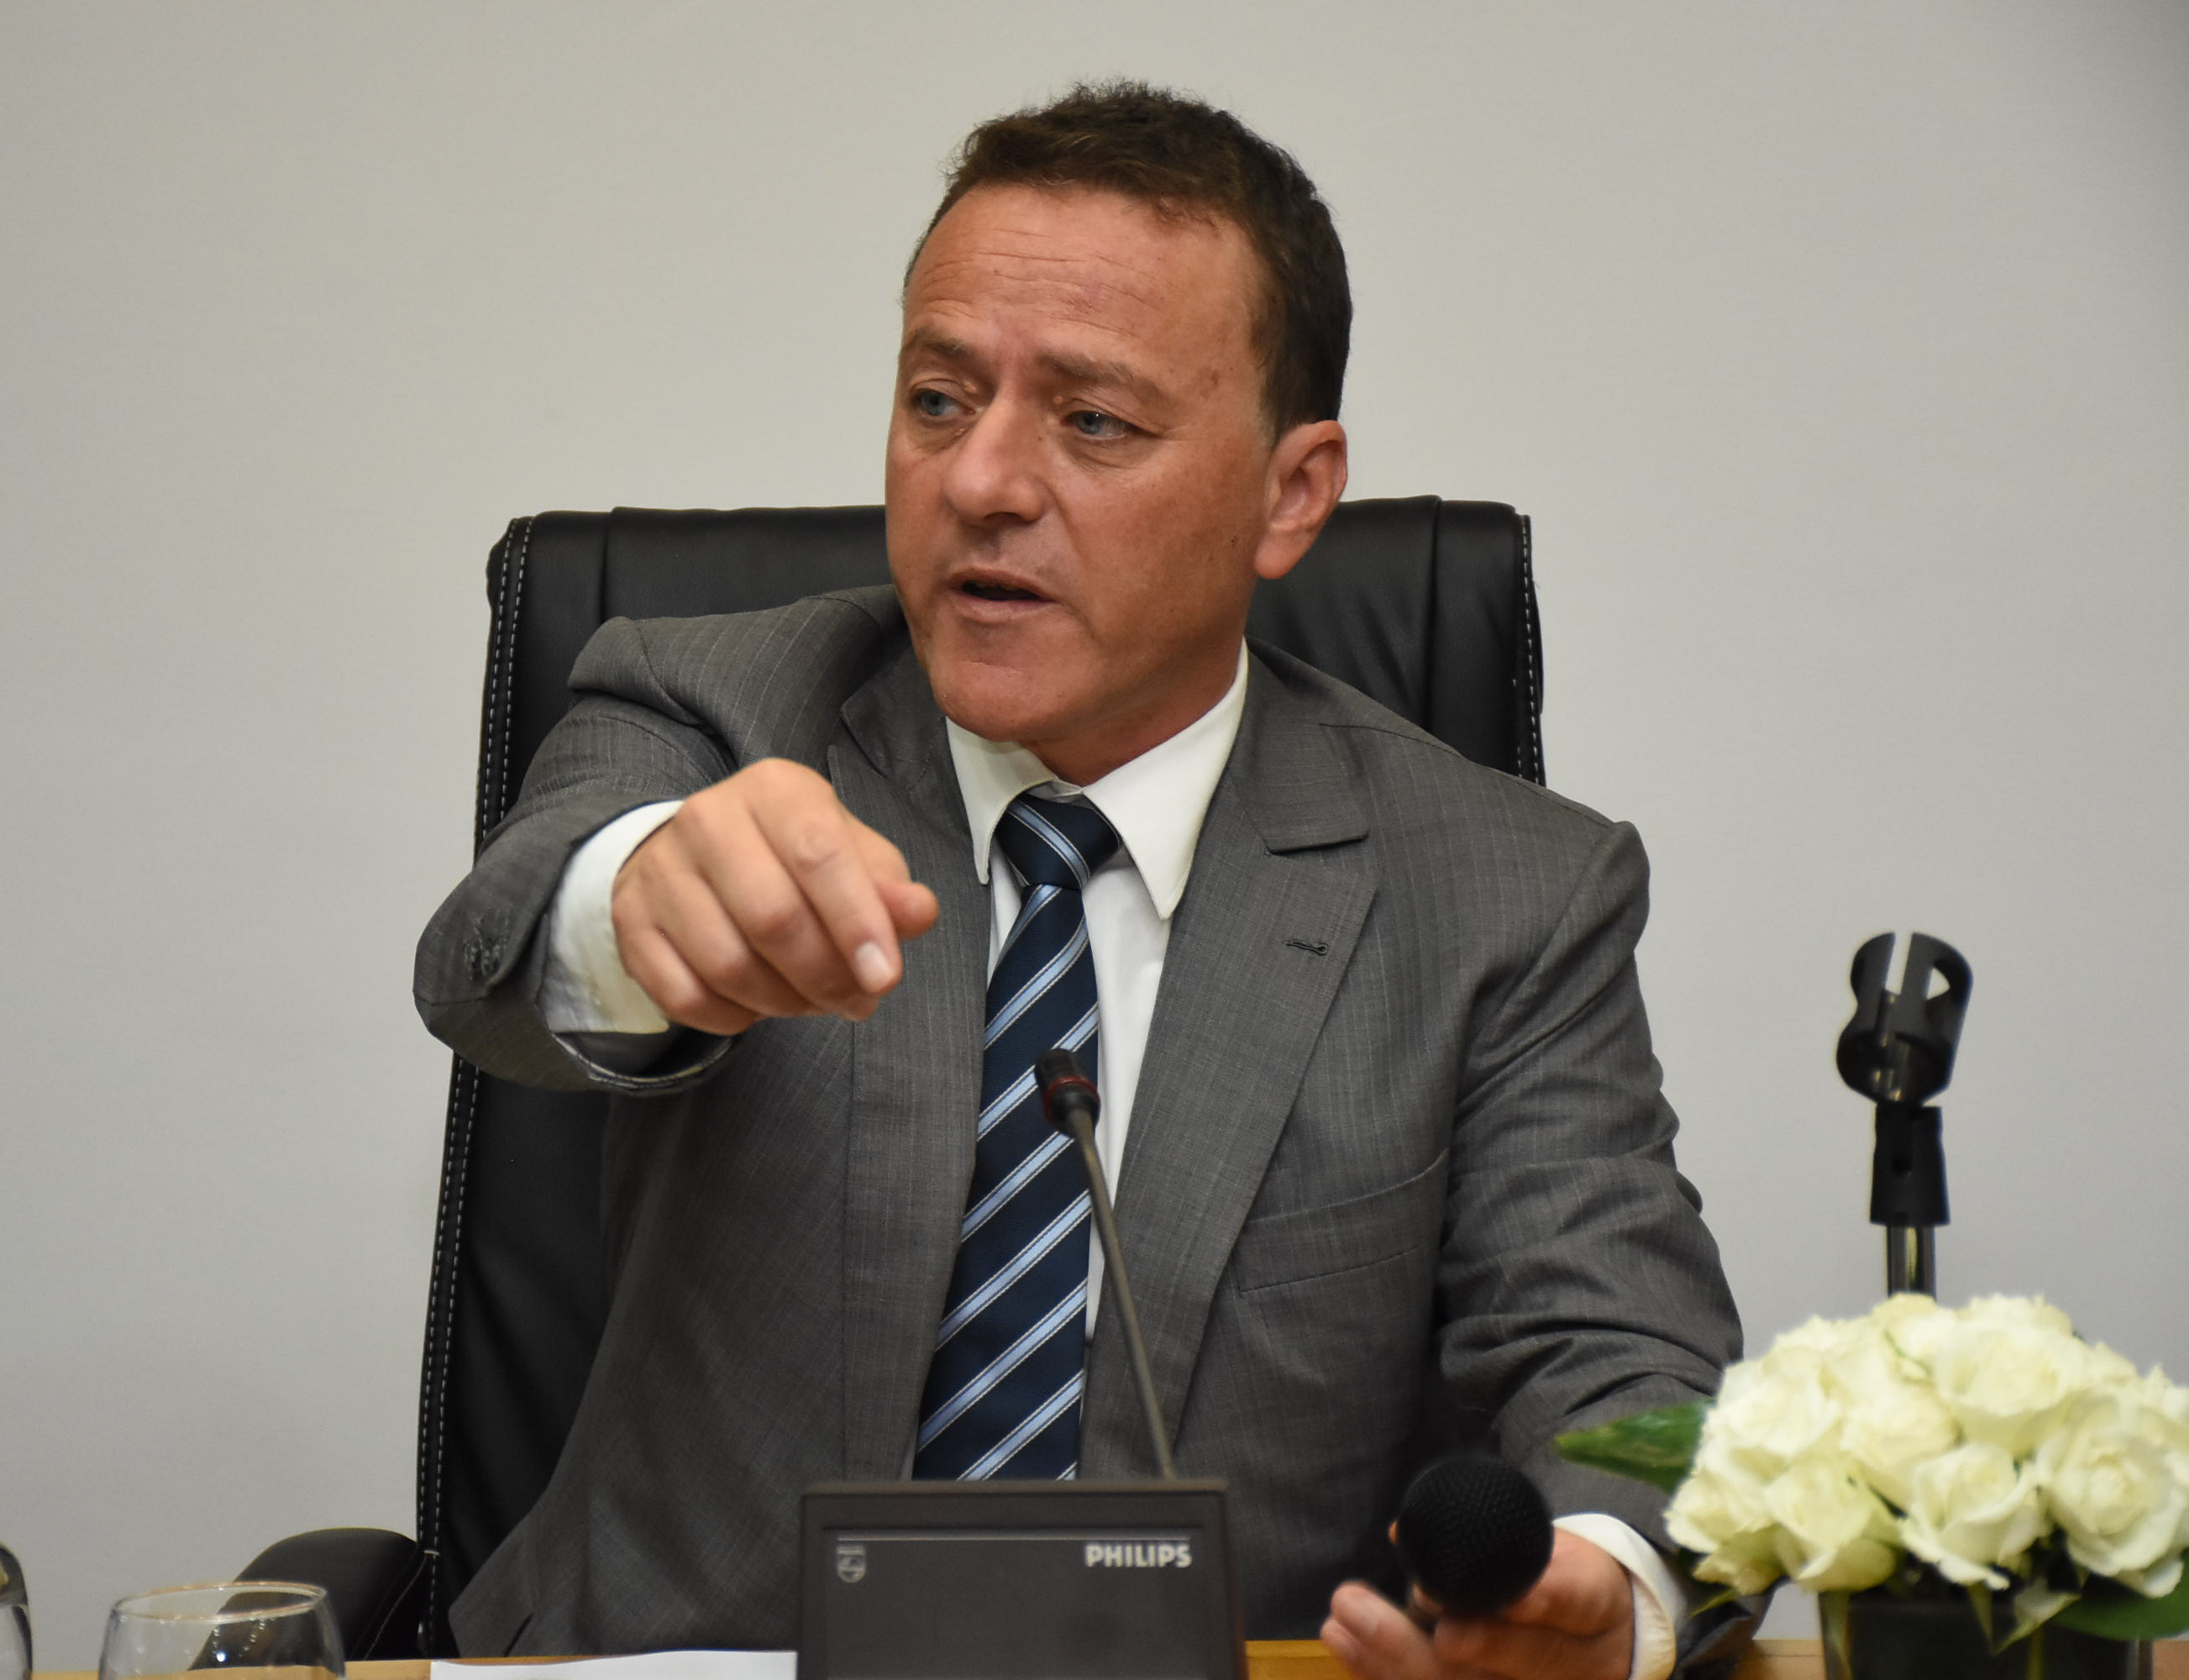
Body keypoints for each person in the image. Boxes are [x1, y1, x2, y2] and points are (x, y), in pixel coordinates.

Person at [417, 83, 1743, 1679]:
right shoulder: (717, 707)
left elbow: (1629, 1374)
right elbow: (494, 955)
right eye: (937, 399)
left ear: (1291, 494)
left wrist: (1606, 1587)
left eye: (1093, 421)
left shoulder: (1510, 897)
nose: (981, 481)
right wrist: (638, 902)